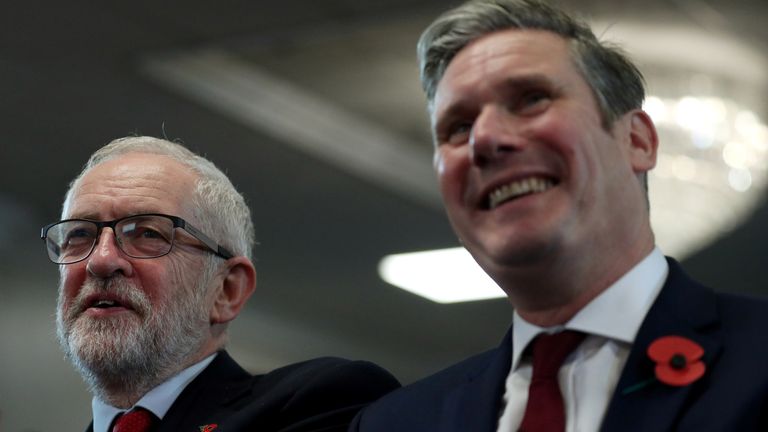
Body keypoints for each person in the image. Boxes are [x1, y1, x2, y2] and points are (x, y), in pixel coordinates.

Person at [351, 0, 768, 430]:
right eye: (458, 127)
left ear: (638, 141)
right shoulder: (395, 422)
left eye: (532, 99)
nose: (485, 138)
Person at [42, 136, 399, 431]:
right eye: (79, 235)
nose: (101, 260)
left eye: (148, 234)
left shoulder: (318, 402)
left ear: (227, 290)